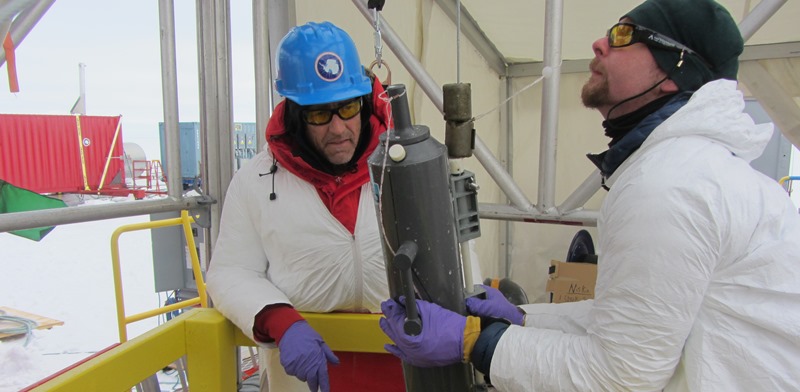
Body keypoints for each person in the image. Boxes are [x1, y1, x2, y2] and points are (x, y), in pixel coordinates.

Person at [379, 0, 800, 390]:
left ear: (676, 71)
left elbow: (620, 377)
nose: (600, 43)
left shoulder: (671, 184)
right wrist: (524, 319)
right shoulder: (689, 168)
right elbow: (631, 325)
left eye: (624, 35)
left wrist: (477, 343)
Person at [205, 21, 405, 392]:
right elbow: (230, 271)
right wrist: (279, 320)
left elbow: (452, 261)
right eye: (319, 114)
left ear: (363, 102)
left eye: (347, 108)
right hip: (306, 375)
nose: (338, 128)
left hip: (406, 369)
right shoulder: (255, 180)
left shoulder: (406, 167)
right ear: (295, 114)